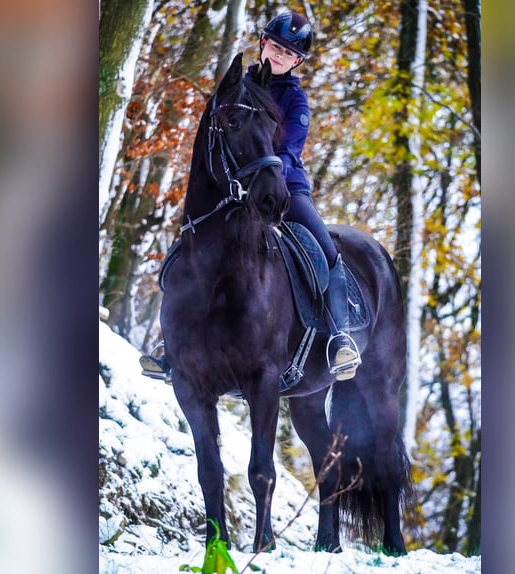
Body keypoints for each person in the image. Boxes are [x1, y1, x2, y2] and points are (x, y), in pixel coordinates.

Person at [140, 11, 361, 381]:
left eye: (289, 53)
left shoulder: (296, 101)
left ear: (297, 61)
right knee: (192, 245)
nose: (279, 56)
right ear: (263, 44)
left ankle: (339, 336)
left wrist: (261, 181)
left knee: (326, 249)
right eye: (275, 46)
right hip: (233, 188)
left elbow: (289, 154)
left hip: (283, 188)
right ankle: (171, 342)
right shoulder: (236, 88)